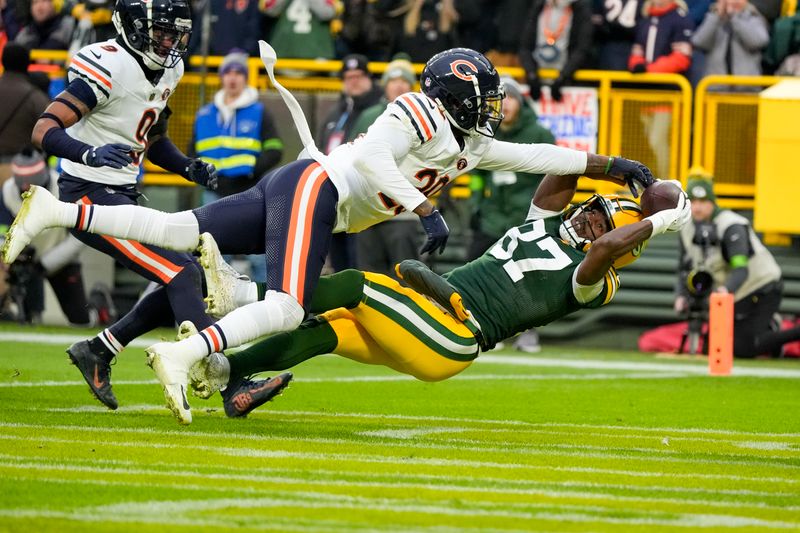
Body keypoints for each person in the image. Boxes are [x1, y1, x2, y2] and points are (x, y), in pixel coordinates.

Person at [3, 47, 656, 424]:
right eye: (482, 94)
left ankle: (56, 214)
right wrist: (421, 211)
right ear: (454, 95)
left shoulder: (470, 141)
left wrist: (611, 165)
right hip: (321, 190)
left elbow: (540, 159)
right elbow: (372, 159)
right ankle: (188, 352)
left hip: (316, 194)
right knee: (290, 303)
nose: (491, 105)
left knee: (180, 228)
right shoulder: (417, 108)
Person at [192, 173, 692, 418]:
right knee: (331, 328)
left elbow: (606, 248)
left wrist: (662, 217)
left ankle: (244, 291)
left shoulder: (596, 281)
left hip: (455, 334)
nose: (589, 218)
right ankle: (228, 375)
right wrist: (608, 165)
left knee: (359, 284)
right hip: (432, 313)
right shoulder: (550, 225)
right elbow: (559, 174)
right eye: (595, 209)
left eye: (602, 222)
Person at [20, 0, 219, 411]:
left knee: (189, 274)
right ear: (131, 27)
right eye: (161, 32)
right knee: (181, 273)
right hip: (88, 198)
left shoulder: (169, 69)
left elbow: (152, 138)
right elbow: (44, 128)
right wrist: (87, 154)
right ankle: (226, 375)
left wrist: (186, 167)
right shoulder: (108, 64)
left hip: (120, 195)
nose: (169, 41)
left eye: (175, 33)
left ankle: (100, 349)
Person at [468, 78, 556, 353]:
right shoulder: (484, 133)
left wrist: (544, 213)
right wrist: (475, 206)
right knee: (485, 273)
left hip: (526, 216)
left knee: (530, 276)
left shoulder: (539, 133)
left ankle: (528, 332)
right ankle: (489, 328)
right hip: (493, 216)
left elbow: (555, 175)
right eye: (501, 98)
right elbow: (477, 176)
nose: (506, 103)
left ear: (521, 101)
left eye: (511, 97)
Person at [674, 174, 800, 358]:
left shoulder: (731, 225)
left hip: (761, 286)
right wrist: (680, 295)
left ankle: (782, 330)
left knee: (742, 348)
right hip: (732, 293)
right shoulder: (686, 227)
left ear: (712, 201)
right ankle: (765, 330)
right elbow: (683, 268)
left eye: (703, 201)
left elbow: (741, 269)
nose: (697, 207)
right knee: (712, 348)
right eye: (693, 201)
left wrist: (723, 292)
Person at [0, 147, 114, 325]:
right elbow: (2, 230)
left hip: (61, 258)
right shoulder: (7, 192)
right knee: (27, 319)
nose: (25, 190)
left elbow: (79, 238)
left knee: (80, 320)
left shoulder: (64, 189)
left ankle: (99, 305)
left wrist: (46, 263)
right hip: (26, 259)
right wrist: (10, 251)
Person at [346, 54, 422, 278]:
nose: (398, 85)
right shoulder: (369, 115)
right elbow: (352, 154)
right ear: (385, 85)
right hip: (368, 210)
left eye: (403, 81)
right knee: (370, 281)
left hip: (403, 212)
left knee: (407, 279)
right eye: (393, 81)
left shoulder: (422, 117)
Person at [318, 53, 382, 271]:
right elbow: (321, 148)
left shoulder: (379, 112)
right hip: (336, 198)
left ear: (369, 78)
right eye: (348, 77)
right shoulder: (336, 113)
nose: (353, 81)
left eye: (358, 76)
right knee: (340, 264)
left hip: (362, 199)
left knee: (361, 266)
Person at [519, 0, 594, 102]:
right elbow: (525, 47)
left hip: (569, 84)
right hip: (537, 82)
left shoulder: (580, 10)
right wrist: (531, 74)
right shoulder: (538, 7)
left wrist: (563, 77)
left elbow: (582, 48)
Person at [0, 43, 50, 184]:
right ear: (27, 63)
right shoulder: (34, 96)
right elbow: (50, 131)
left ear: (3, 61)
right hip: (20, 170)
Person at [691, 0, 769, 81]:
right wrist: (716, 17)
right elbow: (699, 42)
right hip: (715, 86)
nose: (732, 2)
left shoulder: (753, 16)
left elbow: (759, 41)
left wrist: (734, 18)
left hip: (748, 86)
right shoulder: (712, 16)